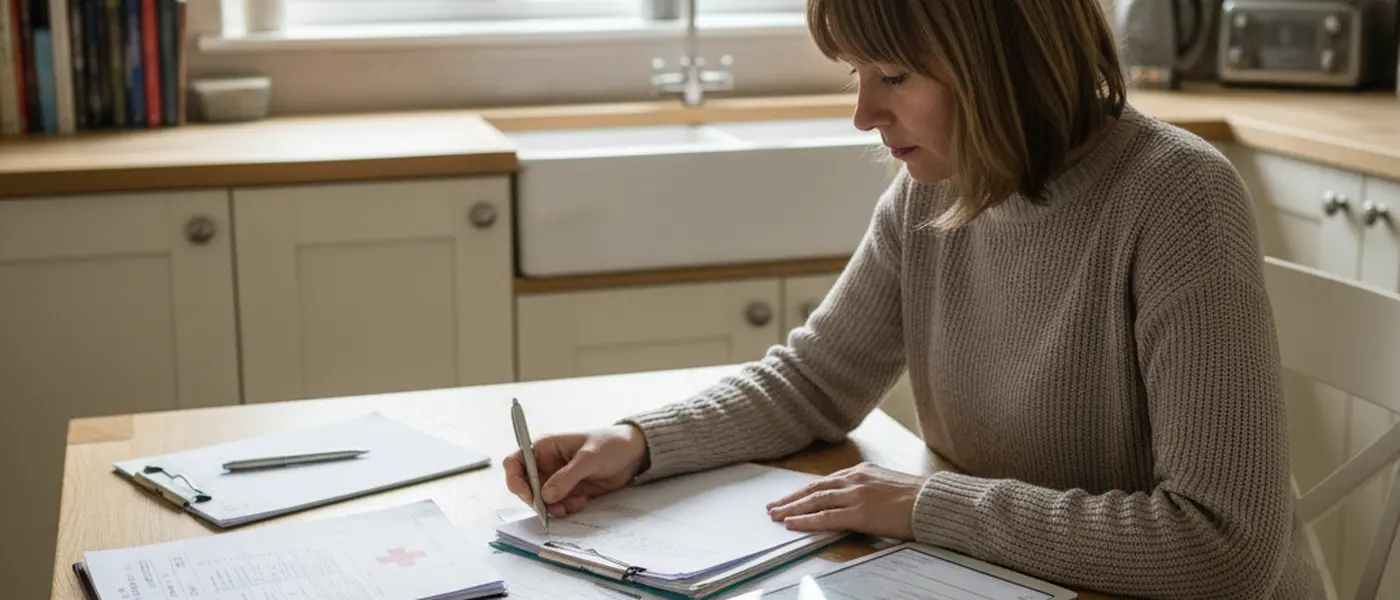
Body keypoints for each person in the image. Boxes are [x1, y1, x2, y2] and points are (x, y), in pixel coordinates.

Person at [504, 1, 1317, 598]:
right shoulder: (931, 192)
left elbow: (1221, 547)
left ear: (1005, 58)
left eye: (892, 75)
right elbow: (813, 384)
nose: (864, 114)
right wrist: (636, 443)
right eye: (857, 75)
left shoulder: (1177, 199)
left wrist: (929, 505)